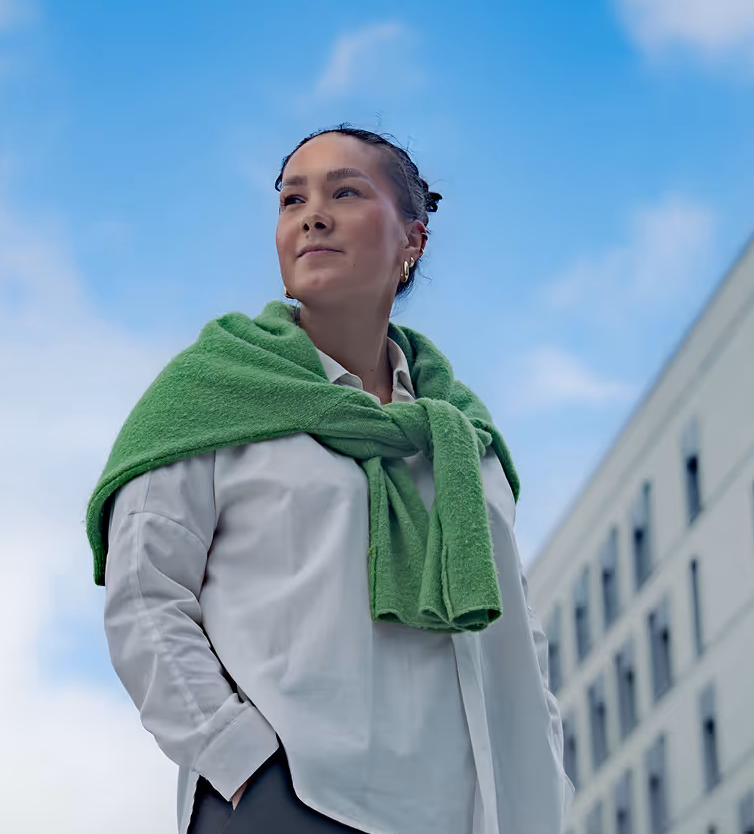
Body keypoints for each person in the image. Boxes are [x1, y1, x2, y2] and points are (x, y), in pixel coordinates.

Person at [87, 125, 573, 834]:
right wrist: (246, 769)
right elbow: (144, 597)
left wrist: (540, 805)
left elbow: (516, 644)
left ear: (413, 240)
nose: (311, 214)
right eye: (292, 200)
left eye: (345, 192)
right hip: (291, 803)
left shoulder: (465, 440)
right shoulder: (214, 393)